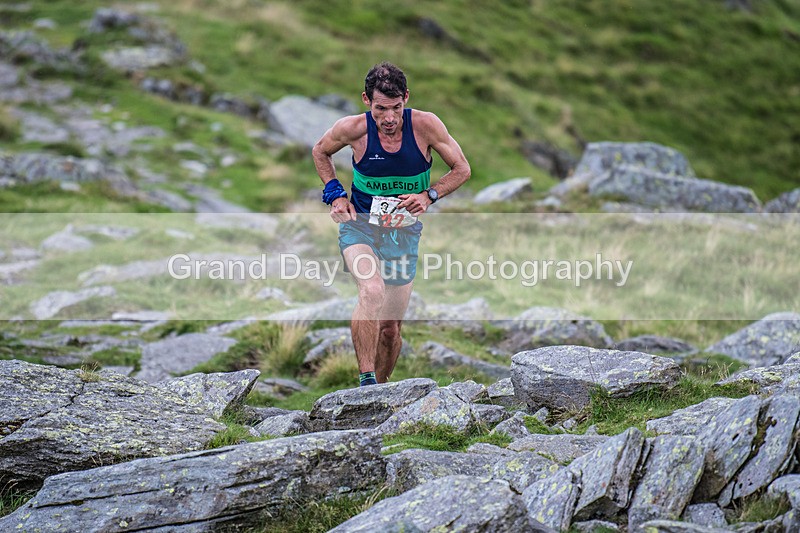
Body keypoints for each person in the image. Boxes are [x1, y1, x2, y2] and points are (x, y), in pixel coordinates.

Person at [312, 62, 470, 387]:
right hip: (360, 226)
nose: (389, 118)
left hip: (403, 233)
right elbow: (320, 151)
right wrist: (335, 195)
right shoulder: (353, 128)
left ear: (406, 99)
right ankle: (366, 383)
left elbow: (462, 168)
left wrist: (429, 195)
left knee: (390, 328)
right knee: (371, 290)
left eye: (396, 108)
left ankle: (381, 395)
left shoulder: (426, 126)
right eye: (381, 108)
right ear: (366, 100)